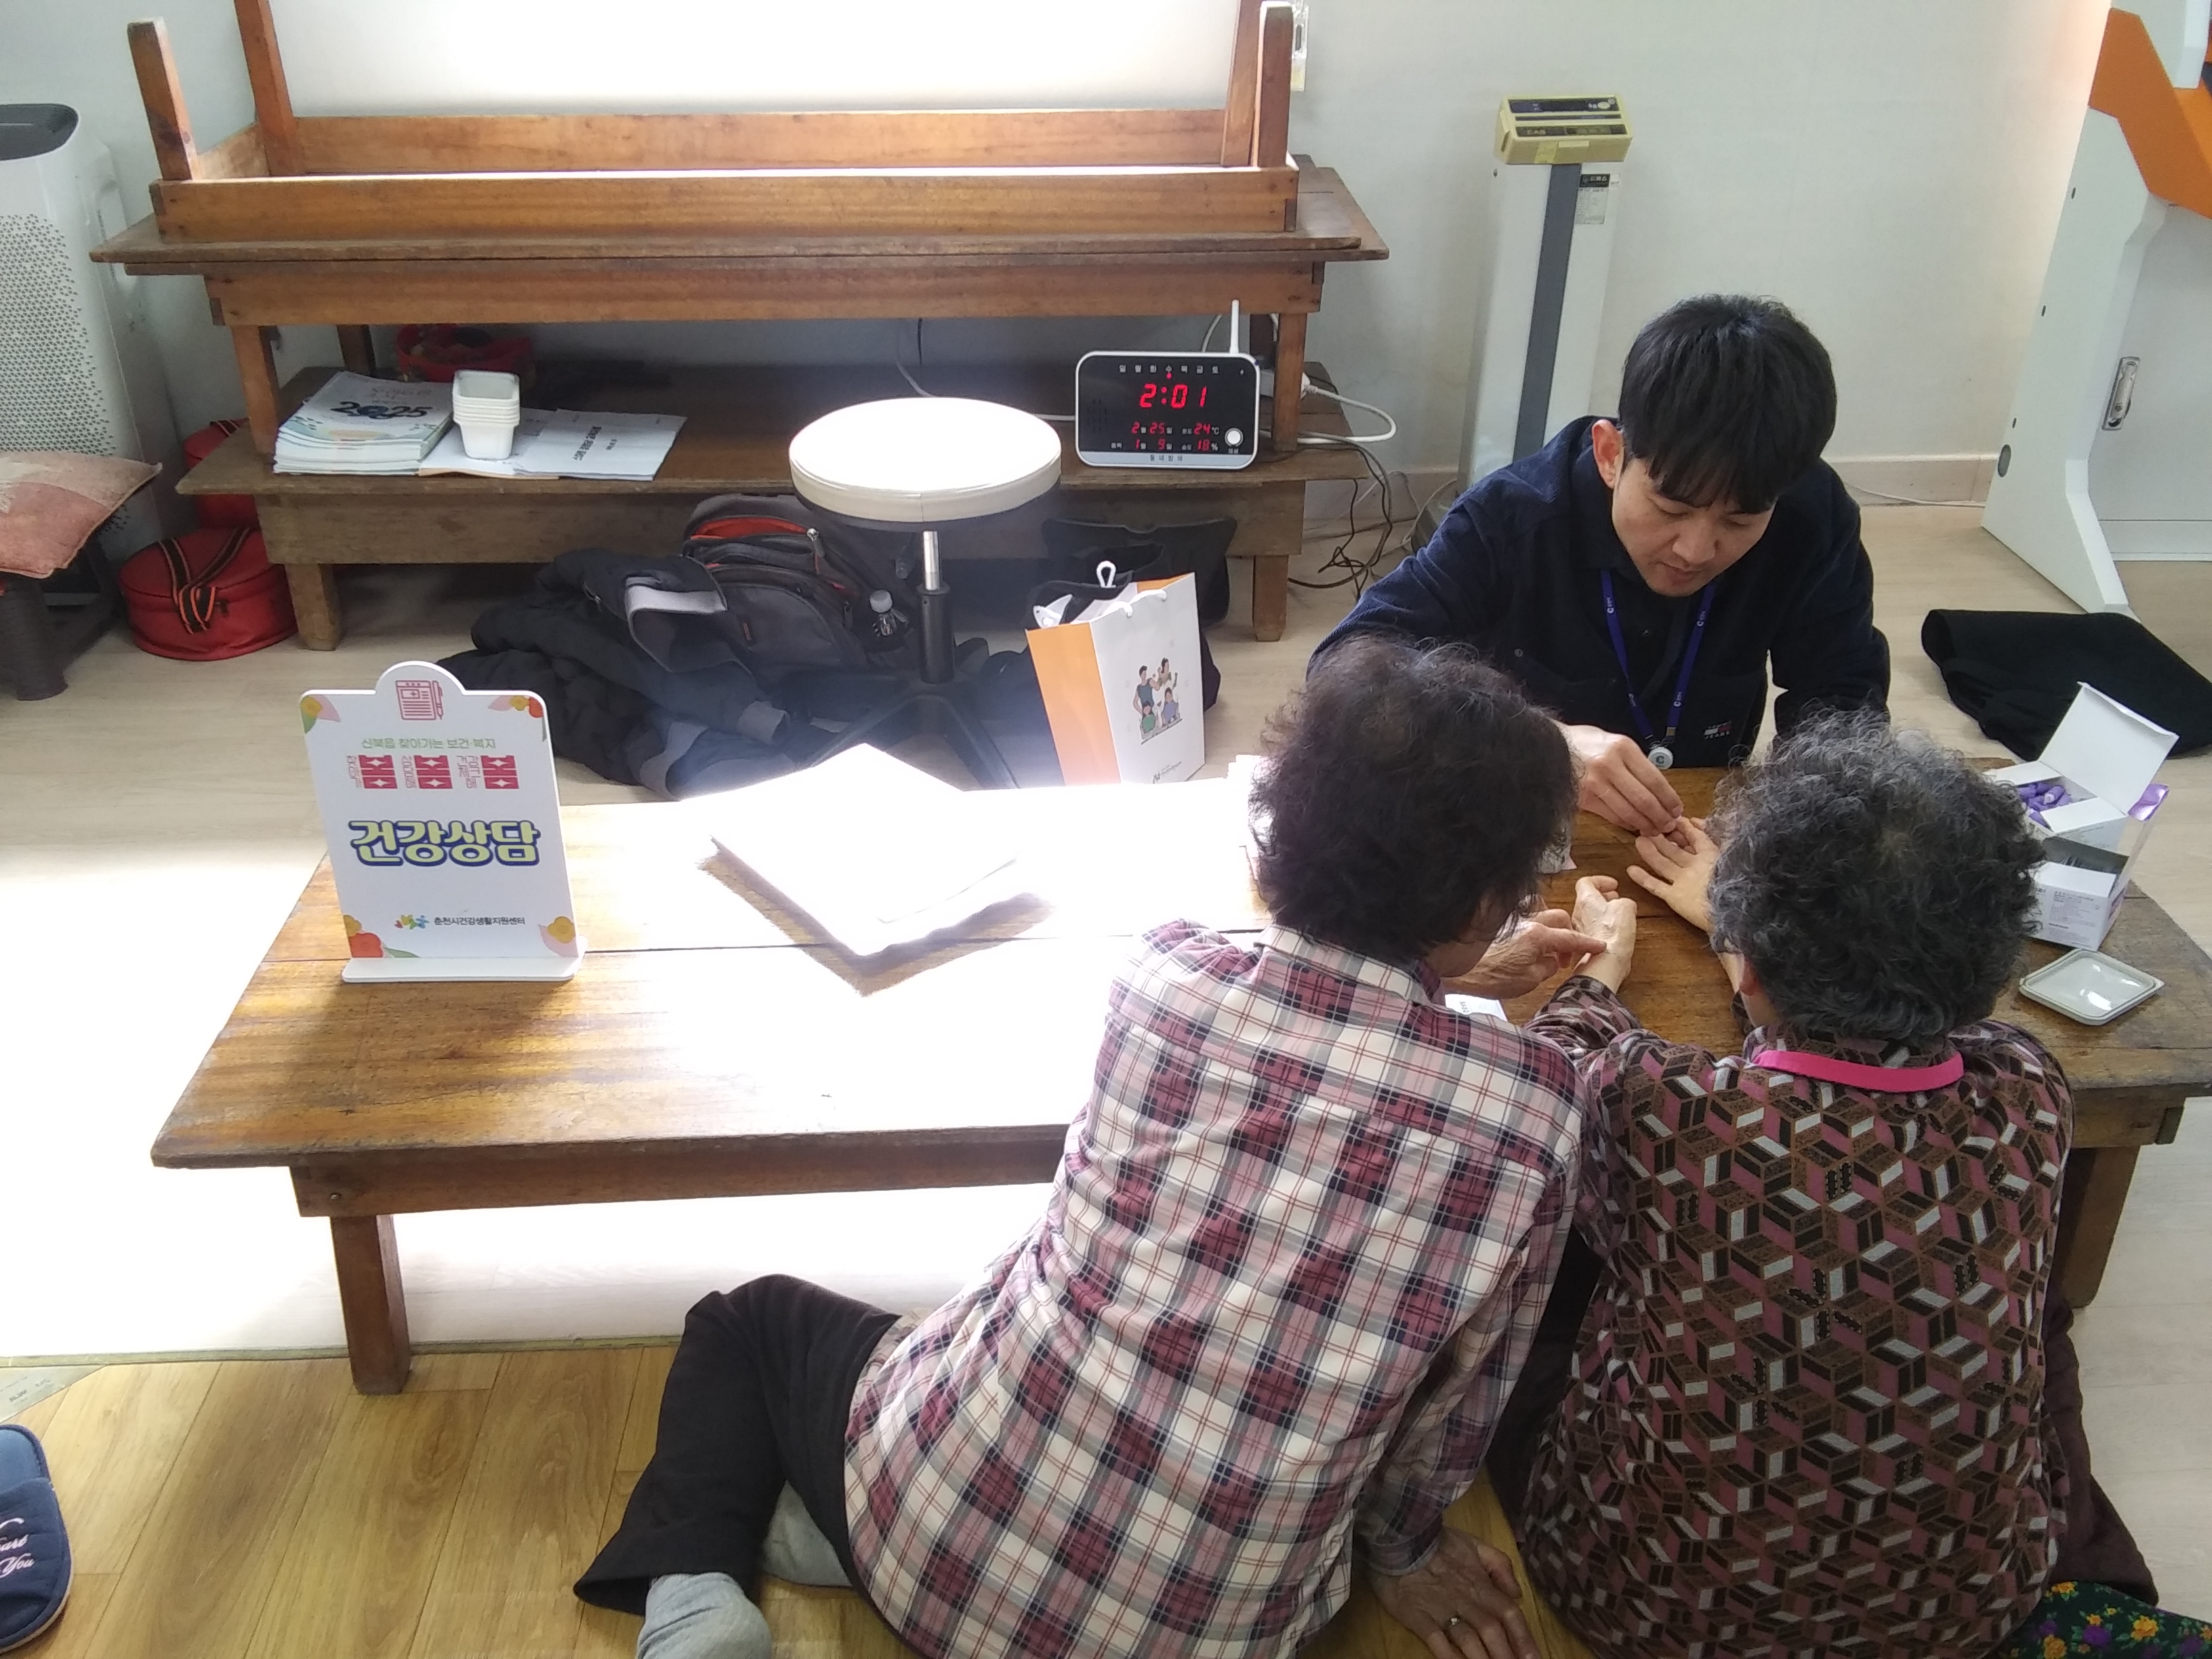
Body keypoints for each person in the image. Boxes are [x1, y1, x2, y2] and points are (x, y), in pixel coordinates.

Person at [575, 638, 1611, 1659]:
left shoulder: (1164, 977)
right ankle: (822, 1528)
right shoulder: (1536, 1116)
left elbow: (1315, 1009)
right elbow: (1455, 1412)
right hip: (1220, 1632)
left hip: (923, 1551)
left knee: (747, 1323)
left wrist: (1448, 978)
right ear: (1489, 904)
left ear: (1276, 836)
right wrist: (1406, 1551)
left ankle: (700, 1593)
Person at [1499, 714, 2193, 1658]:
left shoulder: (1658, 1103)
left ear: (1749, 962)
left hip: (1649, 1604)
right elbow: (1848, 1079)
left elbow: (1541, 1080)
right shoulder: (2028, 1089)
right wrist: (1749, 948)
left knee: (1538, 1313)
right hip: (1963, 1614)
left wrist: (1600, 973)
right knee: (2047, 1322)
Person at [1313, 294, 1889, 840]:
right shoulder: (1512, 517)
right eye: (1671, 509)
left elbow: (1843, 700)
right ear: (1611, 453)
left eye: (1739, 521)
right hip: (1520, 817)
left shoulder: (1811, 515)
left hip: (1696, 826)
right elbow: (1347, 670)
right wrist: (1543, 742)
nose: (1694, 550)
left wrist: (1788, 826)